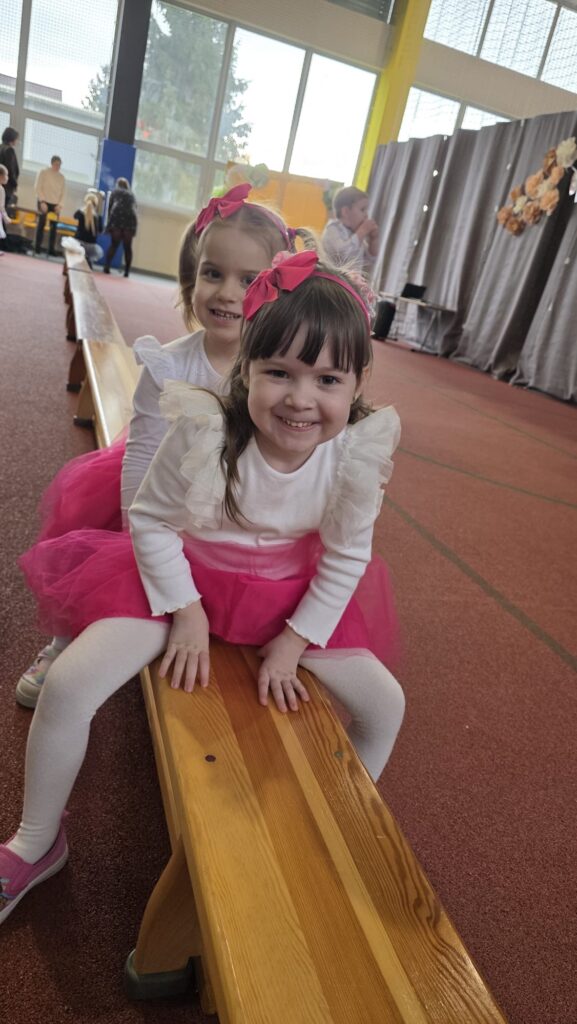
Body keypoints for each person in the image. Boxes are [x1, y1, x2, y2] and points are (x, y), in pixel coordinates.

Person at [0, 250, 403, 925]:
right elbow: (151, 521)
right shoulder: (207, 431)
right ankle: (36, 843)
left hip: (284, 598)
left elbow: (345, 557)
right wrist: (184, 611)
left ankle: (323, 830)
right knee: (68, 686)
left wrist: (294, 642)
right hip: (182, 580)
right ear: (247, 369)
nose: (300, 399)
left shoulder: (352, 457)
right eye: (279, 372)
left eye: (327, 379)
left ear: (356, 382)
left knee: (385, 706)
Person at [15, 182, 299, 708]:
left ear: (278, 291)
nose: (226, 293)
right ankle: (64, 640)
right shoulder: (169, 363)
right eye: (212, 273)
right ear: (192, 277)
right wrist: (131, 536)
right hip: (155, 499)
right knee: (97, 557)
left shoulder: (282, 373)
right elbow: (142, 454)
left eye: (248, 280)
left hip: (231, 514)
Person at [321, 185, 379, 278]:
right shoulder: (332, 229)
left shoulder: (355, 234)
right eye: (362, 210)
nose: (366, 215)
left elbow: (369, 261)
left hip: (350, 282)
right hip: (333, 281)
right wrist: (362, 231)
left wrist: (373, 240)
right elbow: (343, 254)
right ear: (346, 212)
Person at [103, 177, 138, 277]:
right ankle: (127, 272)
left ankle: (106, 267)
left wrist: (109, 224)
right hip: (130, 218)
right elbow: (135, 207)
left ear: (118, 185)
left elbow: (110, 208)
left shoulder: (115, 192)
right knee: (127, 247)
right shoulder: (131, 194)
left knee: (114, 244)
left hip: (117, 216)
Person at [34, 155, 66, 256]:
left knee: (54, 227)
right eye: (56, 164)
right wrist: (42, 201)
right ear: (52, 163)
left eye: (59, 165)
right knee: (41, 224)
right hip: (43, 201)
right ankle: (37, 247)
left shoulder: (62, 177)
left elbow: (63, 193)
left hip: (55, 204)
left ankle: (51, 249)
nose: (58, 167)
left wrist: (60, 205)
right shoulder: (43, 172)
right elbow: (38, 187)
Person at [73, 192, 103, 267]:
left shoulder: (80, 213)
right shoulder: (98, 217)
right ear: (96, 204)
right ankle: (89, 261)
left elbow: (74, 216)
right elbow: (100, 231)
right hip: (91, 247)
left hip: (79, 244)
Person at [0, 127, 19, 216]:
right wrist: (15, 184)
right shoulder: (9, 150)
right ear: (12, 138)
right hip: (6, 186)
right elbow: (10, 170)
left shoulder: (1, 147)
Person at [0, 164, 12, 255]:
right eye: (6, 175)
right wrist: (6, 217)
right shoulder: (1, 189)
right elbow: (1, 206)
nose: (7, 178)